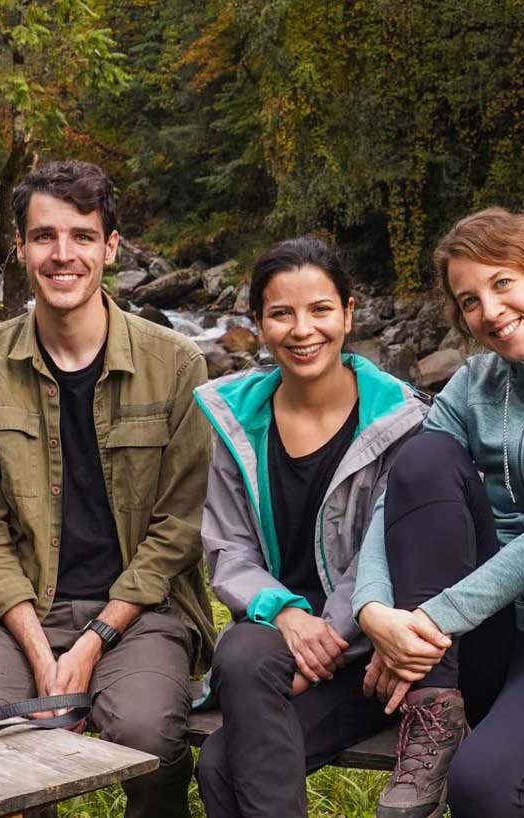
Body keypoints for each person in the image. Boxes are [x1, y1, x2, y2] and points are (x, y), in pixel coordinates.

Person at [0, 160, 214, 818]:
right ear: (19, 247)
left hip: (141, 612)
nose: (63, 255)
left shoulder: (176, 364)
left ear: (110, 247)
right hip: (19, 612)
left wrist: (90, 642)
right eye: (44, 237)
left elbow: (178, 528)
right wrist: (40, 651)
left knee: (145, 732)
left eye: (82, 237)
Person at [350, 207, 524, 818]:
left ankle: (433, 686)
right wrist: (374, 611)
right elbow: (400, 494)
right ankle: (434, 707)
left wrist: (425, 623)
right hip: (479, 637)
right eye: (469, 300)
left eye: (502, 283)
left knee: (483, 786)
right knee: (424, 455)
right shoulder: (473, 382)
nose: (489, 311)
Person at [193, 236, 430, 818]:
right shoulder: (237, 421)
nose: (303, 330)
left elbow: (384, 548)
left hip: (372, 657)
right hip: (276, 637)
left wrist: (324, 637)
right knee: (243, 652)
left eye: (320, 309)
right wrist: (288, 614)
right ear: (258, 323)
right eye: (281, 313)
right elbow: (228, 549)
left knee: (219, 764)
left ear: (348, 314)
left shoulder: (397, 421)